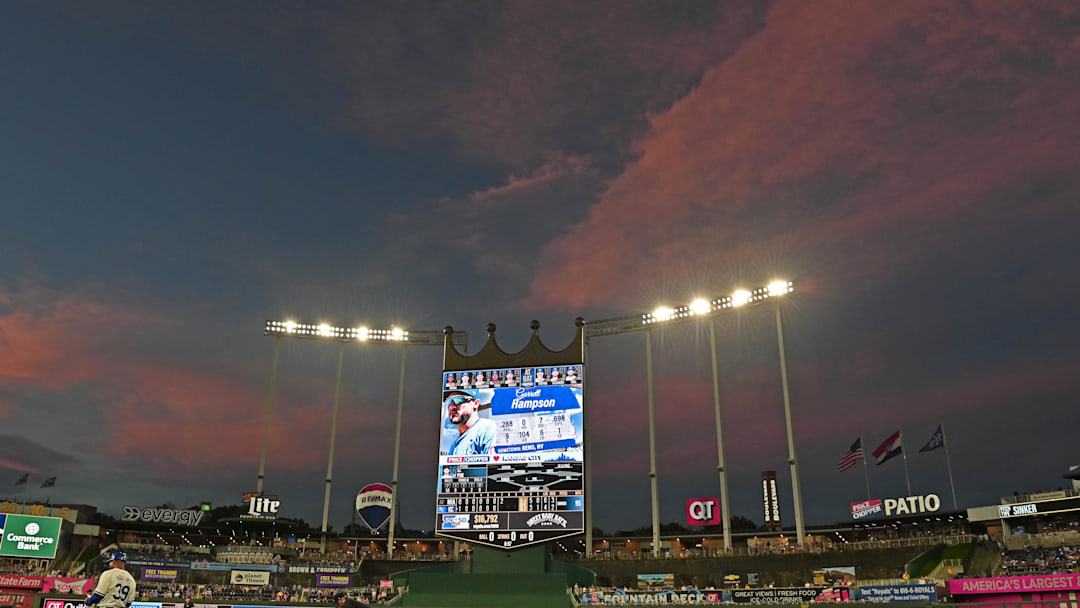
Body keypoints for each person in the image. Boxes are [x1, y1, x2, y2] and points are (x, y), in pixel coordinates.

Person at [444, 391, 496, 455]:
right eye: (449, 401)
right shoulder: (453, 446)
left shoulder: (488, 428)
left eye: (458, 400)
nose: (451, 406)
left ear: (476, 404)